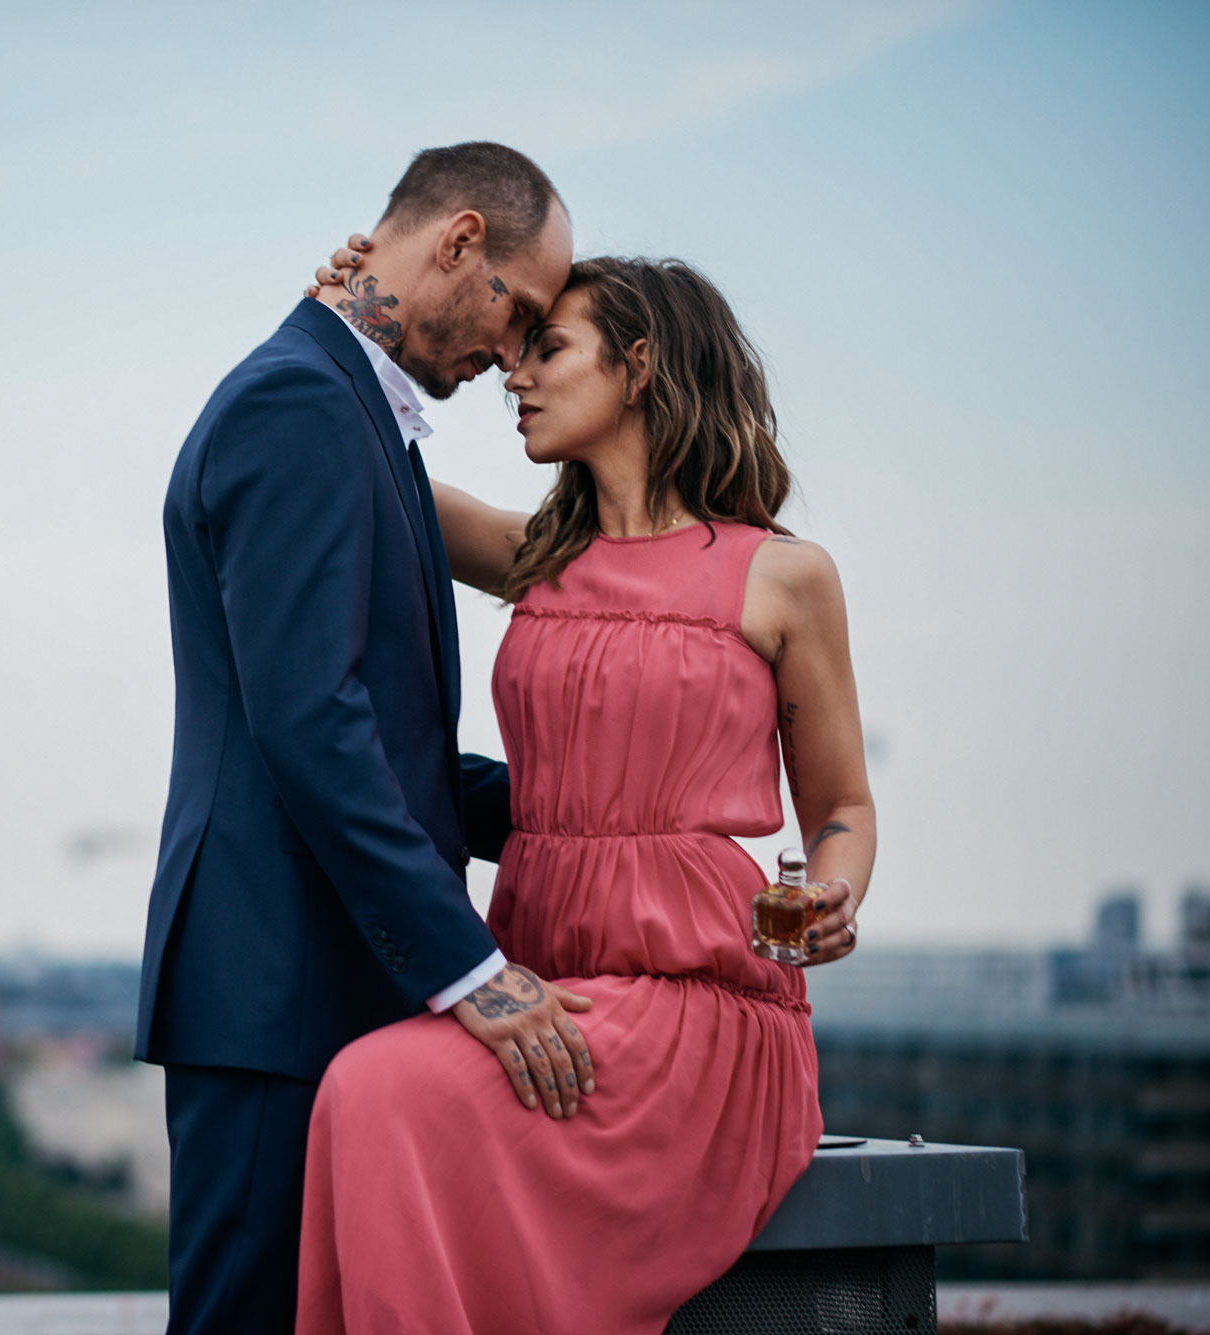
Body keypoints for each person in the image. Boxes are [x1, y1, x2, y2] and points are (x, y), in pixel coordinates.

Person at [292, 250, 877, 1334]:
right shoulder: (538, 560)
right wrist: (351, 323)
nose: (513, 372)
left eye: (546, 349)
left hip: (698, 1006)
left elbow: (839, 804)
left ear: (640, 366)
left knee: (376, 1091)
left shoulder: (782, 576)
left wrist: (836, 891)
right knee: (359, 1094)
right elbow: (346, 459)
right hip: (543, 985)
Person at [135, 143, 593, 1335]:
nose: (511, 356)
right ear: (456, 246)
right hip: (278, 990)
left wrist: (588, 811)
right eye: (519, 312)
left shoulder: (349, 409)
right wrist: (472, 972)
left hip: (315, 984)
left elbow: (374, 742)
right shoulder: (299, 404)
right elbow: (309, 724)